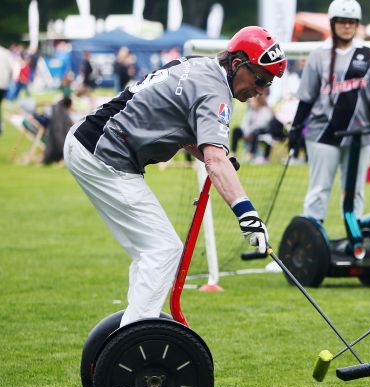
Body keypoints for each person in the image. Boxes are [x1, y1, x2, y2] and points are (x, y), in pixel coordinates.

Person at [63, 26, 287, 326]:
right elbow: (215, 160)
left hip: (90, 142)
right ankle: (134, 338)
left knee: (152, 251)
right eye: (259, 79)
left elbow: (180, 130)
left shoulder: (196, 64)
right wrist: (247, 214)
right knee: (162, 249)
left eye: (267, 84)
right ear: (236, 63)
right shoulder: (215, 92)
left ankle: (130, 331)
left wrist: (214, 156)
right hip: (102, 154)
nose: (260, 90)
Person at [289, 0, 370, 222]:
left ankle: (355, 241)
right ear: (333, 24)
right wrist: (296, 128)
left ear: (357, 24)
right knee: (319, 190)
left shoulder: (367, 55)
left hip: (358, 135)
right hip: (322, 132)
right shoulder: (318, 55)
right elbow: (306, 97)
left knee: (354, 191)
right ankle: (313, 239)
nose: (346, 26)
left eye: (351, 22)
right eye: (342, 22)